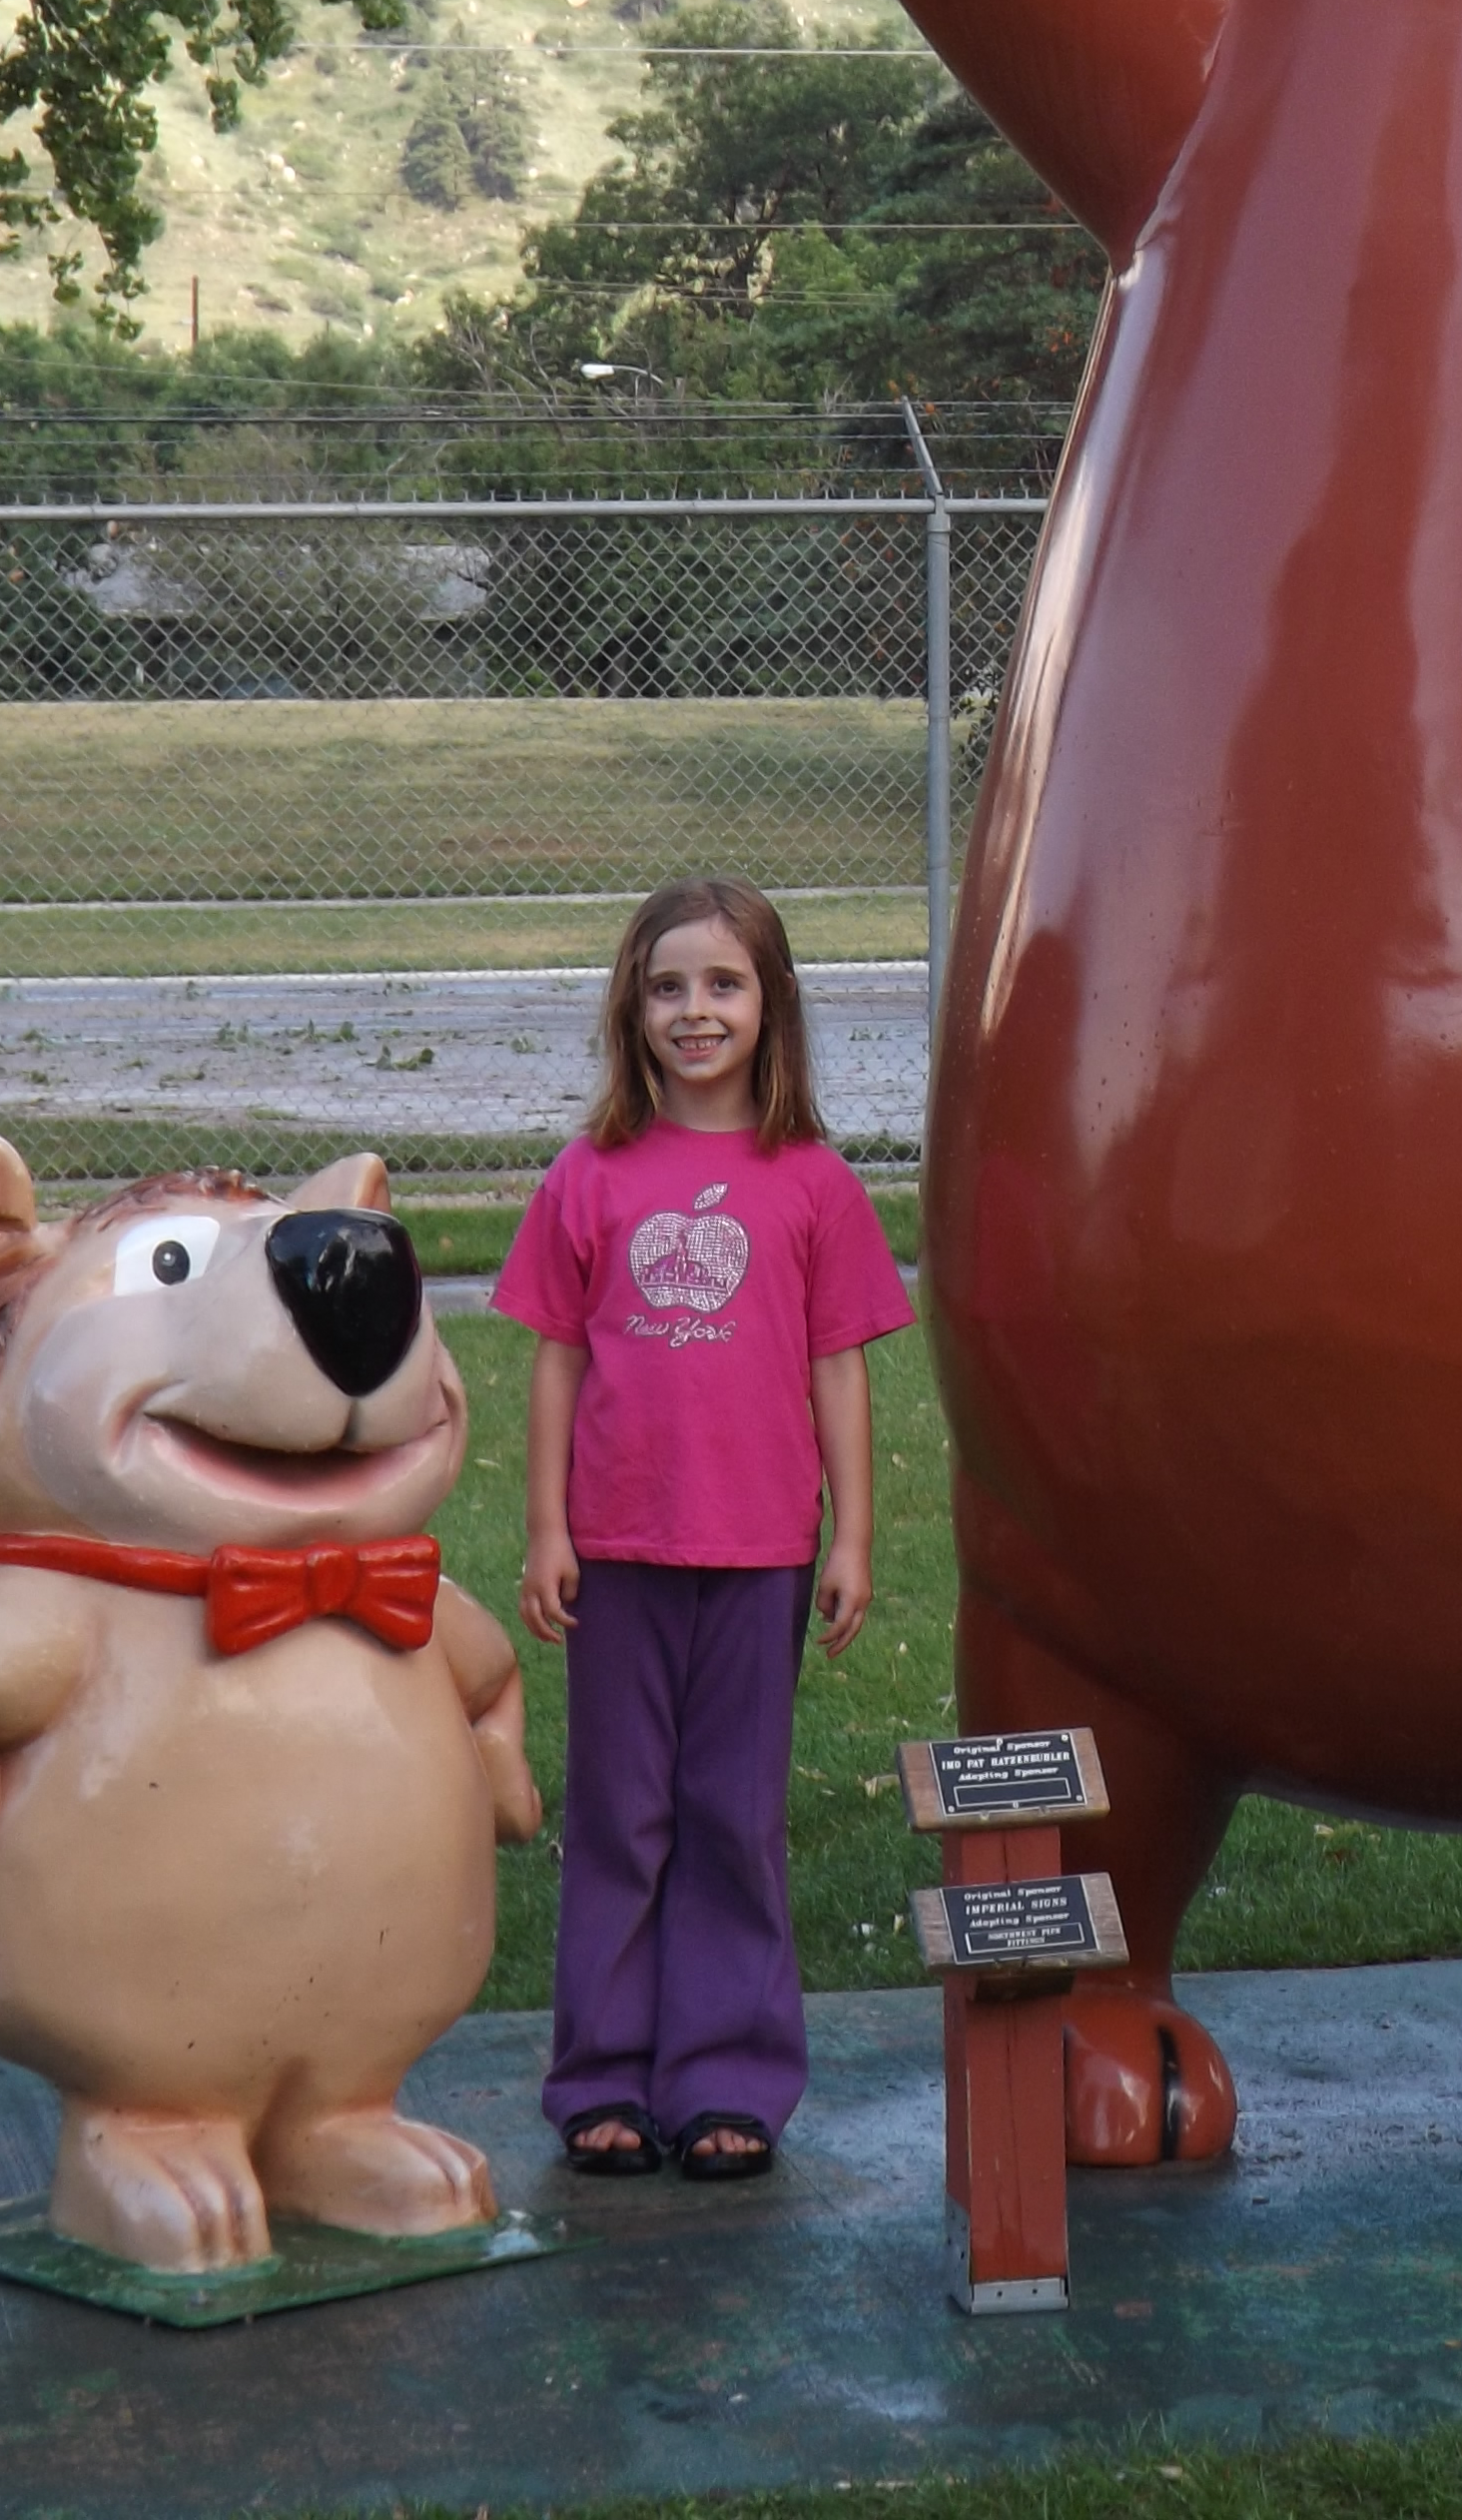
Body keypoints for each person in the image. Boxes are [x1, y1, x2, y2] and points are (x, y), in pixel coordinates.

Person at [494, 873, 914, 2179]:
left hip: (760, 1553)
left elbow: (839, 1365)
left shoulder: (813, 1185)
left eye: (724, 984)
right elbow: (558, 1359)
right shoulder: (589, 1176)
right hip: (619, 1551)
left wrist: (851, 1535)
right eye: (668, 986)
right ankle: (605, 2077)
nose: (695, 1010)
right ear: (633, 1009)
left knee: (732, 1816)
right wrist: (547, 1528)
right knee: (620, 1816)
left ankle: (727, 2076)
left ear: (770, 1003)